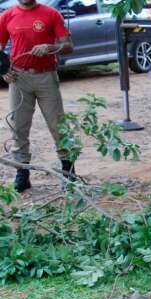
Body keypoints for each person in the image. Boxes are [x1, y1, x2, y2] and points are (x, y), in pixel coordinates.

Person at [0, 0, 74, 193]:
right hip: (19, 77)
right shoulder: (7, 16)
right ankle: (22, 174)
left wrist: (50, 47)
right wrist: (2, 70)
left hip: (46, 76)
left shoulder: (51, 13)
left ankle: (69, 173)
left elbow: (68, 45)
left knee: (58, 126)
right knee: (18, 127)